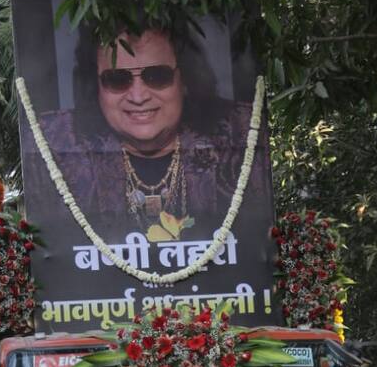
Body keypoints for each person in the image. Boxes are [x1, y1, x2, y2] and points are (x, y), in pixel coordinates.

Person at [32, 24, 272, 242]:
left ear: (185, 79)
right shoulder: (50, 143)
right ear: (95, 87)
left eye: (157, 76)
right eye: (117, 79)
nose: (138, 97)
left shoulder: (244, 132)